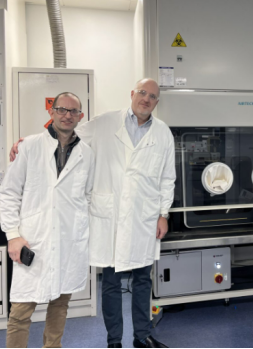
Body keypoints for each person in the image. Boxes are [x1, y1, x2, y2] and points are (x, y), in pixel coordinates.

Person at [10, 79, 175, 349]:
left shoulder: (163, 133)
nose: (146, 99)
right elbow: (66, 131)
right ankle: (114, 341)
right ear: (132, 94)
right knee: (111, 282)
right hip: (109, 216)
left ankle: (142, 336)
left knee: (143, 279)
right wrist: (26, 142)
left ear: (157, 102)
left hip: (144, 217)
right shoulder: (105, 122)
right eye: (142, 93)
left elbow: (168, 177)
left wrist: (163, 213)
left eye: (153, 96)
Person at [1, 92, 95, 348]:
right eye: (62, 109)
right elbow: (9, 192)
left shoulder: (86, 153)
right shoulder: (29, 146)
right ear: (51, 112)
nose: (67, 115)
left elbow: (86, 196)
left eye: (73, 111)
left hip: (68, 240)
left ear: (80, 116)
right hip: (34, 239)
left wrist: (80, 230)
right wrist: (12, 235)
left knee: (60, 304)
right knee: (20, 311)